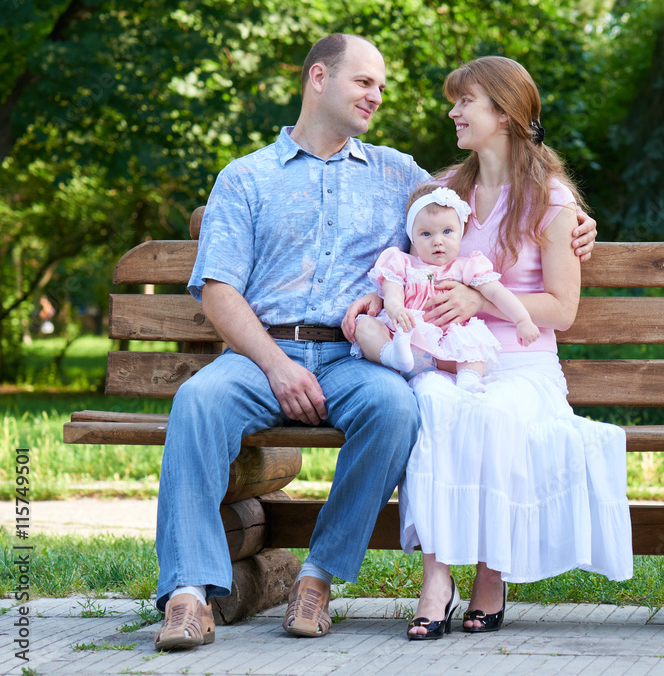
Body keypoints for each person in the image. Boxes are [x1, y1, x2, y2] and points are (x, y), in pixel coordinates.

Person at [153, 34, 597, 652]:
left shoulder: (399, 176)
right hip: (261, 356)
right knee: (197, 402)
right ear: (318, 79)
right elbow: (219, 290)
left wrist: (578, 222)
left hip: (350, 355)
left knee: (396, 408)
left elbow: (476, 202)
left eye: (381, 86)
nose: (377, 95)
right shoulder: (246, 177)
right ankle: (187, 595)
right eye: (365, 82)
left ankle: (318, 577)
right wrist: (277, 366)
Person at [349, 55, 632, 641]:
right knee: (432, 403)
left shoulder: (551, 201)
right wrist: (377, 303)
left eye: (464, 102)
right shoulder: (446, 193)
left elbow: (563, 308)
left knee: (496, 415)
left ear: (503, 114)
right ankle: (436, 579)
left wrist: (482, 302)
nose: (452, 112)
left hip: (523, 365)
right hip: (447, 357)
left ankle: (491, 575)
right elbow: (406, 267)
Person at [351, 183, 539, 392]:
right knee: (365, 327)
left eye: (447, 231)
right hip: (404, 338)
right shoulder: (401, 263)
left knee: (473, 342)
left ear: (460, 234)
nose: (437, 241)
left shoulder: (466, 267)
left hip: (446, 350)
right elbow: (392, 293)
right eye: (426, 234)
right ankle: (393, 356)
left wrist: (522, 319)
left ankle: (468, 380)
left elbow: (498, 293)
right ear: (412, 237)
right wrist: (396, 309)